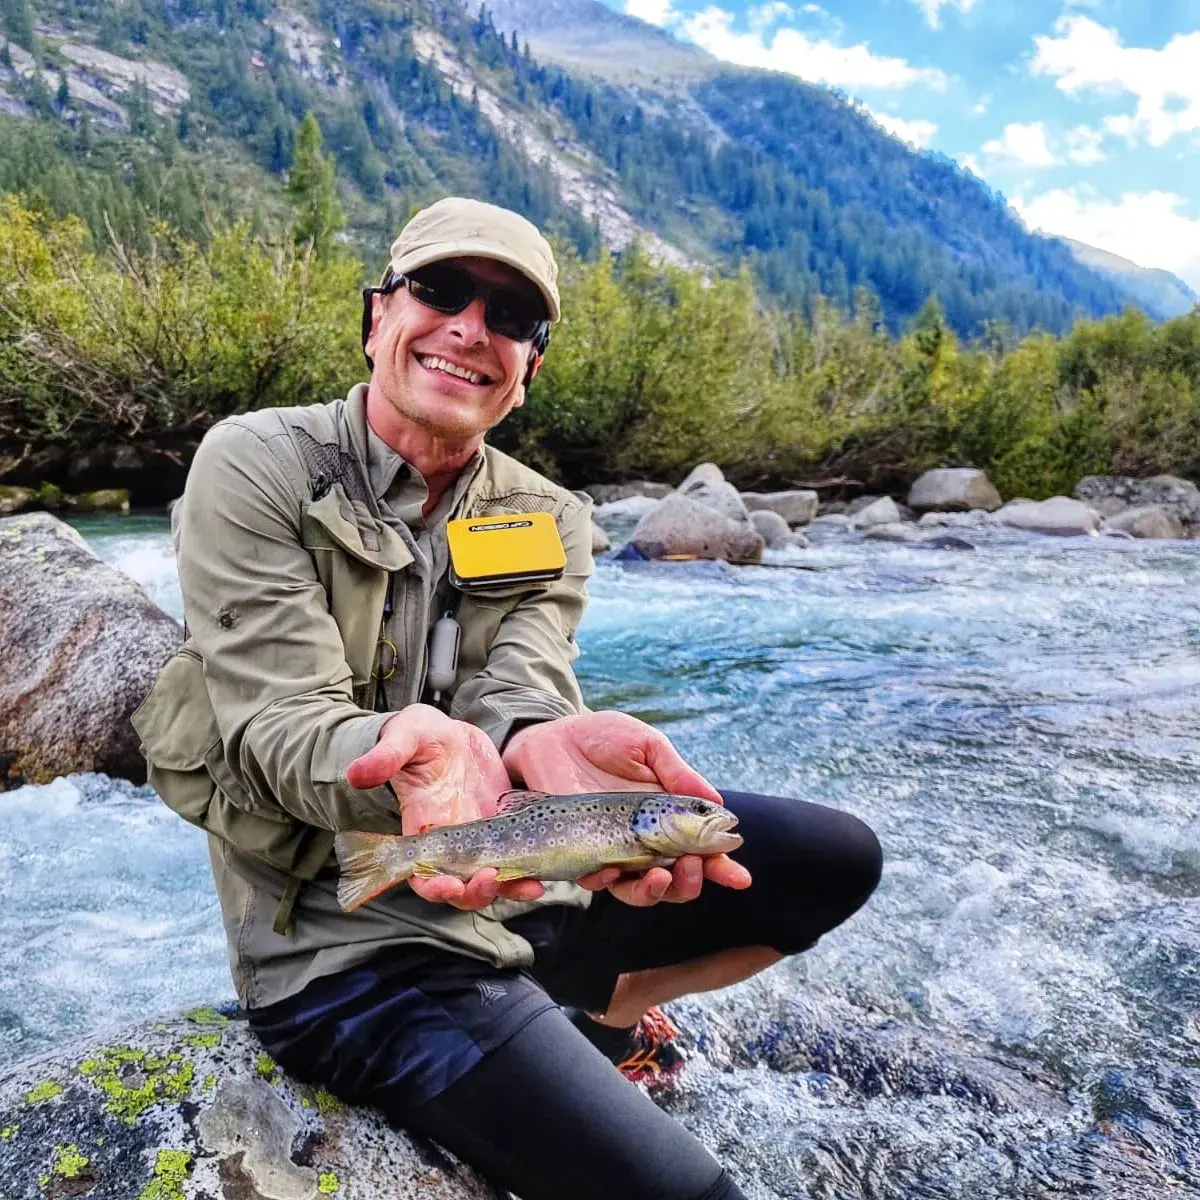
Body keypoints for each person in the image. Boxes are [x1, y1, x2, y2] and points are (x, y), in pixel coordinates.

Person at [134, 197, 882, 1200]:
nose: (469, 328)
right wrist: (411, 763)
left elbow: (526, 681)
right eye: (440, 291)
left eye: (512, 317)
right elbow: (277, 725)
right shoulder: (259, 463)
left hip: (523, 876)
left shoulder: (546, 514)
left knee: (833, 857)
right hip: (353, 951)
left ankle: (606, 1014)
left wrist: (542, 740)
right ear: (378, 317)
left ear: (528, 368)